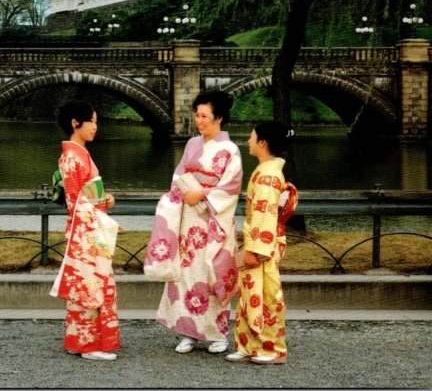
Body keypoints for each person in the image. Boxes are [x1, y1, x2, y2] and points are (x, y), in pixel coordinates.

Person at [145, 90, 242, 354]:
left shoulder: (230, 150)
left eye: (204, 116)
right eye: (197, 115)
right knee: (186, 276)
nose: (199, 121)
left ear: (219, 118)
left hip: (213, 223)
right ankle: (187, 331)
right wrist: (184, 192)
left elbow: (231, 188)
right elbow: (178, 176)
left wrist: (203, 193)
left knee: (212, 276)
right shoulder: (191, 145)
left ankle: (218, 334)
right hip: (189, 220)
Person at [49, 101, 121, 361]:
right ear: (74, 123)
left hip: (89, 226)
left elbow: (87, 196)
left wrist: (106, 199)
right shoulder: (72, 156)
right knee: (91, 287)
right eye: (91, 121)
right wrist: (104, 217)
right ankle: (90, 345)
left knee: (87, 288)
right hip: (87, 231)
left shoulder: (79, 153)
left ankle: (77, 340)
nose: (95, 127)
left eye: (96, 122)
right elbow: (75, 202)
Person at [226, 121, 298, 365]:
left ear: (263, 143)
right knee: (249, 293)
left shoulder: (268, 175)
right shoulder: (266, 171)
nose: (248, 141)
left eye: (251, 136)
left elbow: (264, 215)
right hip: (258, 237)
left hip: (263, 243)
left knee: (266, 295)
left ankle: (272, 348)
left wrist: (255, 250)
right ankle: (248, 344)